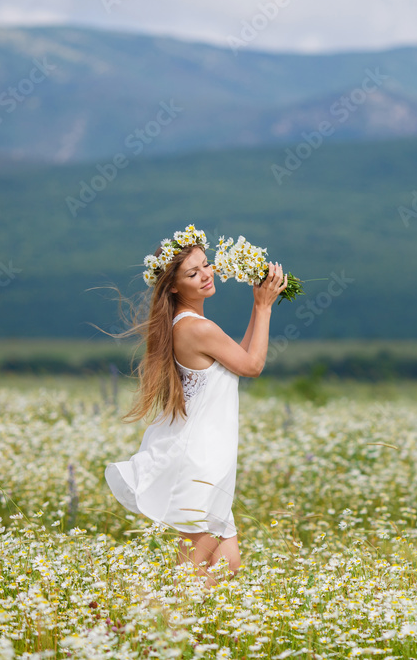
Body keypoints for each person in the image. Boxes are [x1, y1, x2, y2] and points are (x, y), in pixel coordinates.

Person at [105, 225, 288, 587]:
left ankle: (182, 632)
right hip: (200, 463)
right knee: (190, 572)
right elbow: (253, 366)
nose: (206, 275)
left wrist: (257, 303)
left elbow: (240, 358)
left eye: (206, 265)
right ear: (173, 285)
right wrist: (265, 306)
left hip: (209, 459)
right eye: (193, 273)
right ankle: (150, 628)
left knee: (227, 563)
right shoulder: (193, 328)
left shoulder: (193, 324)